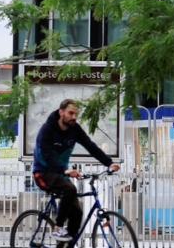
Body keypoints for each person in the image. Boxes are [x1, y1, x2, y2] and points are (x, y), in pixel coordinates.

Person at [32, 99, 120, 242]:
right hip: (43, 172)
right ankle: (58, 228)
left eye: (75, 114)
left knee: (77, 213)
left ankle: (66, 245)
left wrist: (109, 163)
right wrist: (65, 170)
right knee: (69, 188)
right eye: (70, 113)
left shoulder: (75, 130)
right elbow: (47, 156)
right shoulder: (47, 130)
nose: (74, 117)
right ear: (61, 112)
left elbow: (91, 147)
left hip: (60, 174)